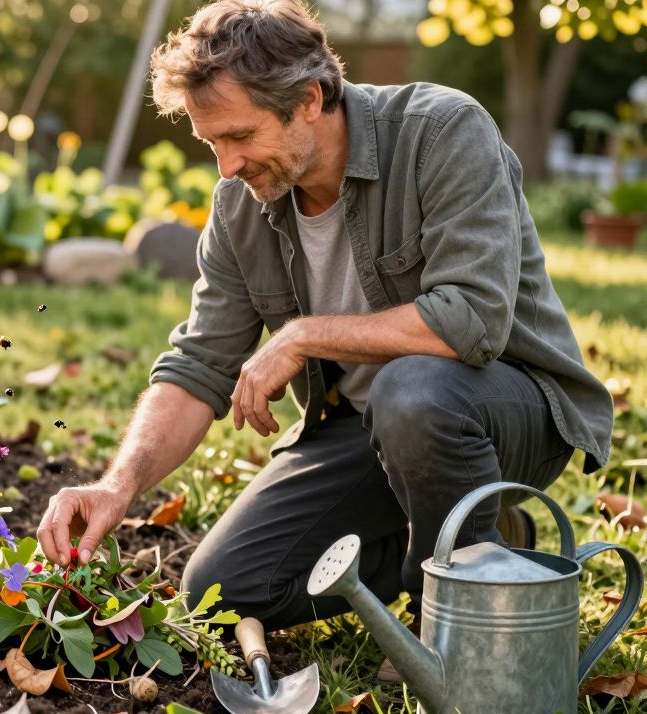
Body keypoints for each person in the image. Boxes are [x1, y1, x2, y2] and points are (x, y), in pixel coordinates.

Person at [35, 0, 612, 636]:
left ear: (310, 99)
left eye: (241, 137)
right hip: (370, 428)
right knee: (226, 589)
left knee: (413, 391)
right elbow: (200, 364)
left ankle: (455, 626)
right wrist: (117, 488)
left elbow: (471, 319)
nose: (226, 166)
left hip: (505, 411)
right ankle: (485, 537)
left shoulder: (441, 132)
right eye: (211, 143)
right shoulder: (240, 207)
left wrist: (306, 335)